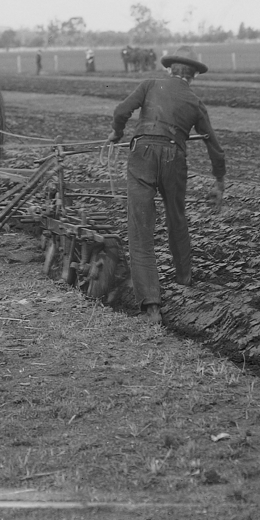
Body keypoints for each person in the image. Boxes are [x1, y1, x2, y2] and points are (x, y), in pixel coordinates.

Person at [108, 45, 225, 325]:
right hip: (175, 157)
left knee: (140, 226)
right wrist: (219, 182)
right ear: (194, 75)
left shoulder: (150, 84)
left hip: (142, 154)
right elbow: (214, 147)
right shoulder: (195, 102)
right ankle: (184, 278)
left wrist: (117, 131)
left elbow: (121, 110)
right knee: (176, 216)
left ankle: (151, 306)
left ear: (168, 69)